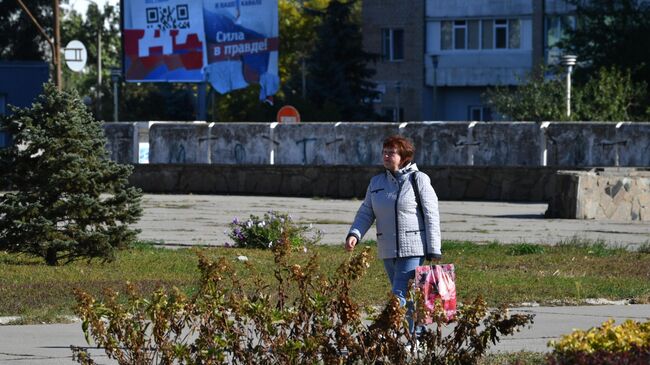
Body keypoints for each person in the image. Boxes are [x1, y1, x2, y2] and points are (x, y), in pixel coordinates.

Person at [345, 135, 442, 334]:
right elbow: (366, 212)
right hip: (387, 249)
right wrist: (354, 233)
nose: (387, 156)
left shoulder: (419, 179)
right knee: (408, 296)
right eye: (384, 152)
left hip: (413, 248)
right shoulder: (377, 182)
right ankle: (418, 336)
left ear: (404, 156)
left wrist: (434, 249)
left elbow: (432, 215)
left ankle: (379, 332)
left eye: (392, 152)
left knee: (399, 294)